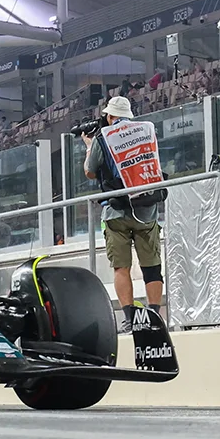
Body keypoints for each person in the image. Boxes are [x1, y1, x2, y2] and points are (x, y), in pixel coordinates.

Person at [83, 94, 165, 331]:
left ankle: (130, 320)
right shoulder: (147, 130)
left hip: (116, 211)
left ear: (109, 116)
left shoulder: (103, 137)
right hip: (147, 208)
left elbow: (90, 171)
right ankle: (154, 318)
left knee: (121, 267)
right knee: (152, 267)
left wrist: (89, 147)